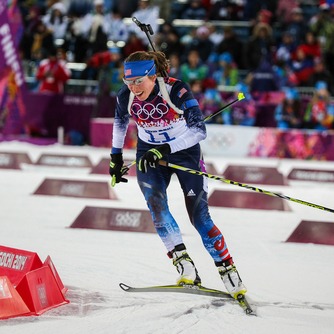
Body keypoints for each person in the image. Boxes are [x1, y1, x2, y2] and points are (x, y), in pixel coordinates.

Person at [108, 50, 247, 299]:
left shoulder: (176, 90)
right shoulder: (125, 96)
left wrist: (165, 149)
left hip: (185, 153)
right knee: (156, 207)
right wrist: (115, 157)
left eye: (139, 81)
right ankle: (184, 263)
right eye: (129, 82)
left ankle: (228, 270)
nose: (134, 88)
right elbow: (120, 123)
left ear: (153, 76)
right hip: (149, 153)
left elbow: (198, 131)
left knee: (199, 218)